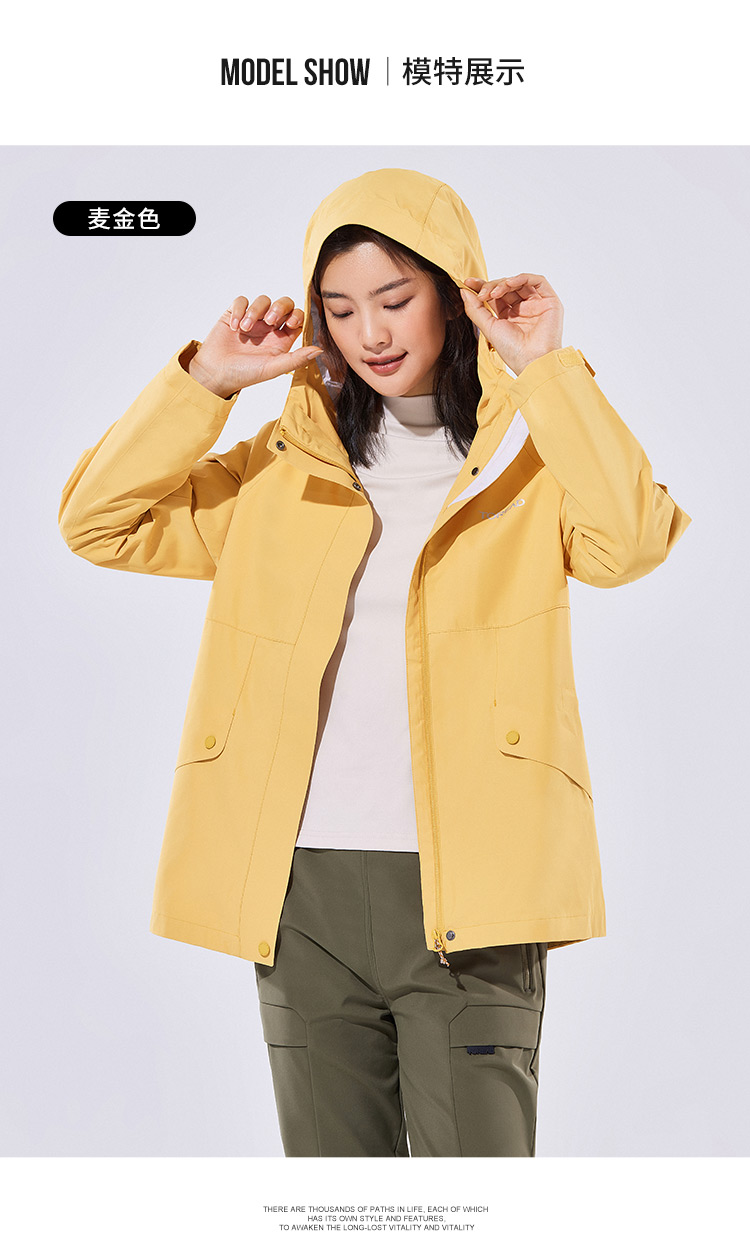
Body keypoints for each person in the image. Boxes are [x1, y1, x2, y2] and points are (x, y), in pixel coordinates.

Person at [58, 167, 692, 1158]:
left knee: (474, 1204)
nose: (372, 333)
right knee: (335, 1206)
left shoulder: (530, 468)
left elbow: (636, 542)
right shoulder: (278, 473)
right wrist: (205, 383)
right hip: (299, 893)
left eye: (395, 299)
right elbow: (97, 523)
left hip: (477, 888)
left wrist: (545, 369)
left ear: (453, 292)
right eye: (342, 308)